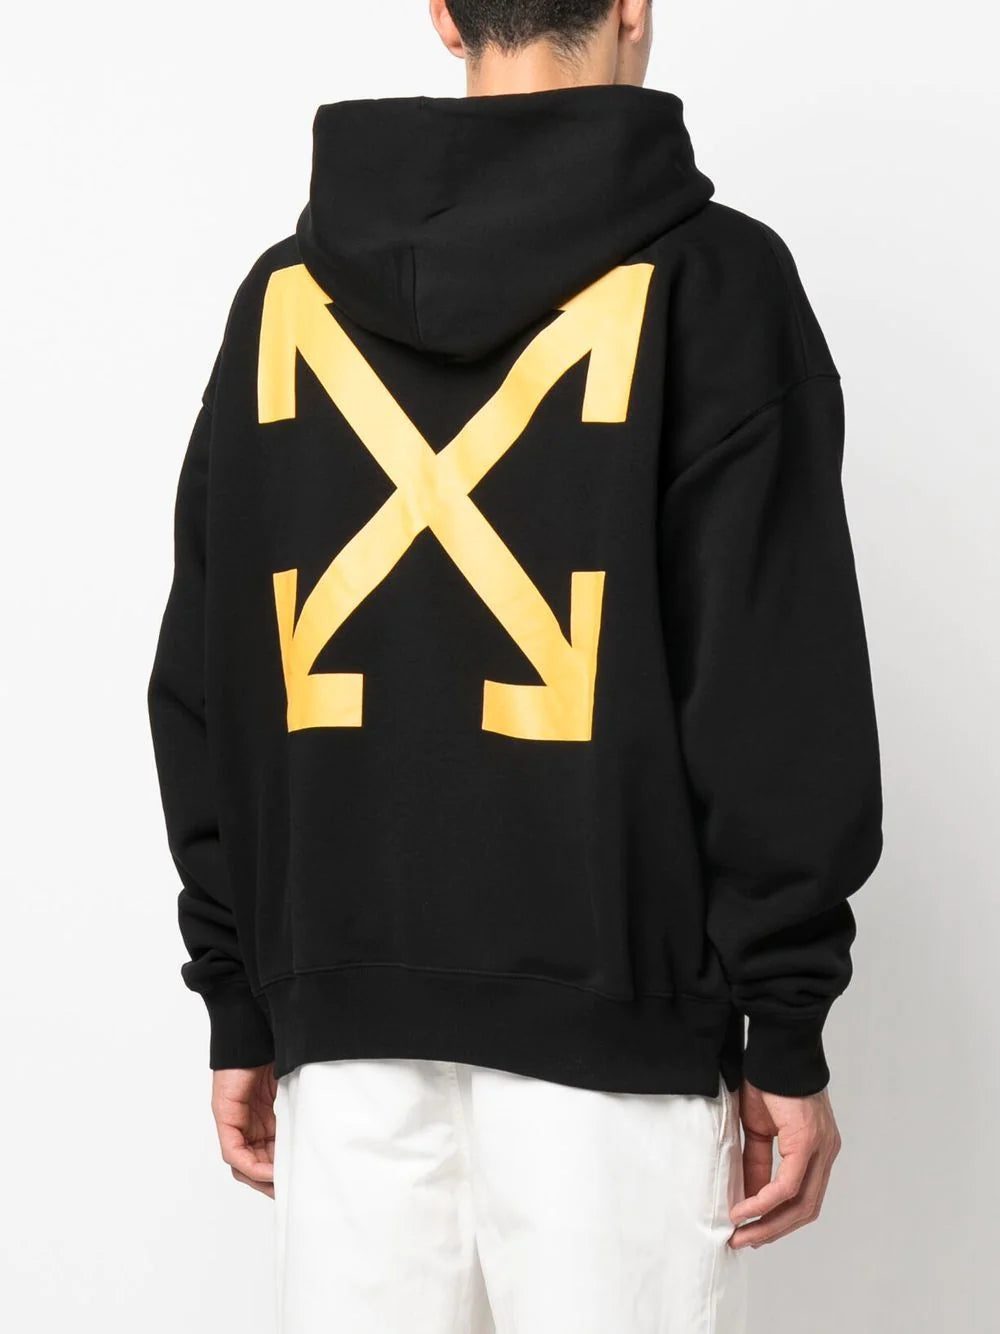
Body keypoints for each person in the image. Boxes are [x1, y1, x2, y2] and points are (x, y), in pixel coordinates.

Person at [148, 1, 882, 1329]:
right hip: (617, 1041)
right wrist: (785, 1019)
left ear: (443, 13)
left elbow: (209, 672)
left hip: (345, 1028)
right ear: (635, 5)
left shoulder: (283, 300)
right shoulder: (716, 283)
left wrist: (242, 993)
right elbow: (774, 688)